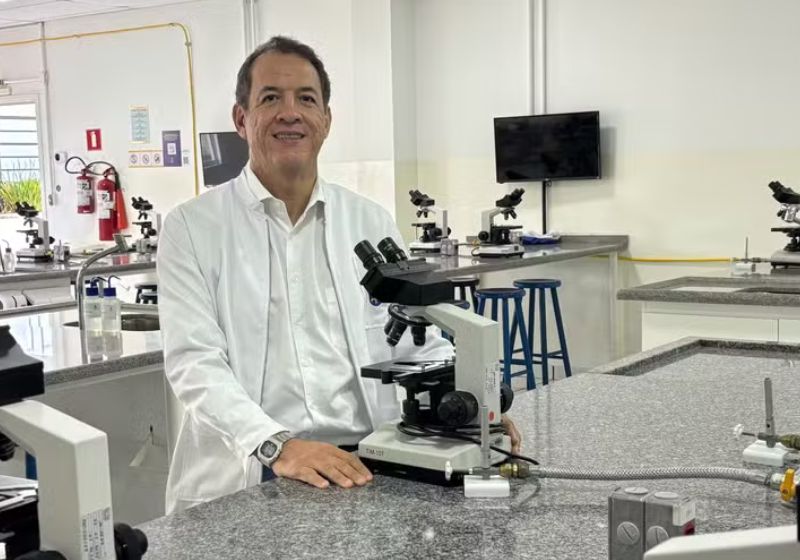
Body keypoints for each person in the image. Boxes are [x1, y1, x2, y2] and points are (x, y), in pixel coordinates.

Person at [158, 36, 521, 514]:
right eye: (271, 98)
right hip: (255, 467)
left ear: (326, 120)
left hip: (371, 463)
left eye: (306, 99)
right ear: (241, 119)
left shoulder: (369, 220)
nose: (291, 113)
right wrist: (278, 445)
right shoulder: (191, 227)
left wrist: (474, 401)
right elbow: (194, 363)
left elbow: (417, 335)